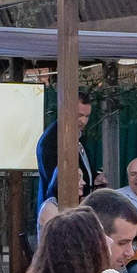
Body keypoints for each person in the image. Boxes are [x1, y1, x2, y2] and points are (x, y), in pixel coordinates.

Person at [34, 90, 92, 227]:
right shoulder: (51, 142)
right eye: (79, 115)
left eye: (87, 116)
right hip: (60, 213)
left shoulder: (77, 136)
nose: (83, 121)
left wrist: (94, 177)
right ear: (66, 111)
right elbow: (55, 182)